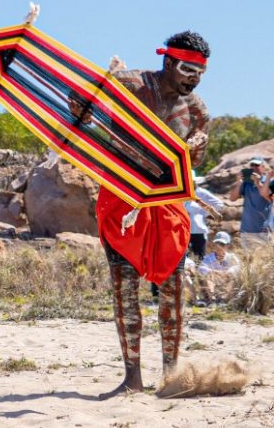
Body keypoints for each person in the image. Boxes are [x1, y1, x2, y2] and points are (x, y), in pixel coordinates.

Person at [82, 31, 211, 398]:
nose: (194, 78)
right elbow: (81, 104)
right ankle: (132, 378)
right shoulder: (130, 84)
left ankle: (171, 376)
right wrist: (90, 98)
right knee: (124, 289)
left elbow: (193, 162)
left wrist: (195, 148)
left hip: (167, 204)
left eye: (201, 71)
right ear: (168, 62)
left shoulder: (198, 111)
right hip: (122, 196)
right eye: (188, 69)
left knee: (172, 291)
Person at [191, 232, 240, 305]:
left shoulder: (231, 257)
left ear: (228, 246)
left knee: (231, 276)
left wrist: (228, 272)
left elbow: (238, 267)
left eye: (222, 244)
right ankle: (212, 299)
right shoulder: (208, 257)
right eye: (217, 244)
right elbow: (201, 268)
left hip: (225, 281)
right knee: (209, 276)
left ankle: (223, 299)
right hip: (213, 281)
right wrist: (213, 272)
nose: (219, 247)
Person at [228, 157, 271, 237]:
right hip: (247, 229)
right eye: (252, 165)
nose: (254, 167)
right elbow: (232, 198)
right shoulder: (246, 183)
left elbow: (270, 198)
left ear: (263, 167)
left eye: (257, 165)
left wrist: (258, 183)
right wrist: (238, 182)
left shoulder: (269, 181)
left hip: (264, 230)